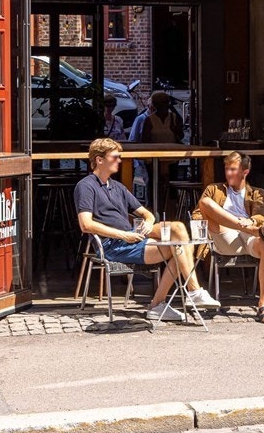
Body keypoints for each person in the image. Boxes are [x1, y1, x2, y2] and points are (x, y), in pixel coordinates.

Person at [74, 137, 218, 322]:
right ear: (99, 160)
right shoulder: (86, 186)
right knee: (180, 249)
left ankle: (190, 293)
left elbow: (146, 213)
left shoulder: (117, 187)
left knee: (178, 228)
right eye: (115, 157)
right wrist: (123, 234)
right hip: (114, 244)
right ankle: (170, 301)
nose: (119, 160)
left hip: (134, 236)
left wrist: (149, 222)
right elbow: (85, 225)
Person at [197, 152, 264, 323]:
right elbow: (198, 214)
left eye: (233, 169)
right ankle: (240, 225)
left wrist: (249, 223)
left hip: (249, 234)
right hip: (224, 236)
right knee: (205, 202)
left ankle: (263, 305)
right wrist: (237, 223)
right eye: (227, 169)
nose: (228, 173)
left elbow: (260, 217)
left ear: (245, 172)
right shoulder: (214, 189)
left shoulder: (258, 193)